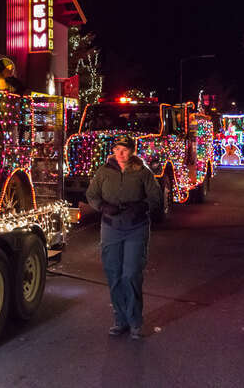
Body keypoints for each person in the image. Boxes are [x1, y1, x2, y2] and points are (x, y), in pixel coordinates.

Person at [85, 136, 162, 340]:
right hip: (111, 229)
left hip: (135, 228)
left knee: (131, 274)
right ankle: (120, 320)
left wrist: (142, 207)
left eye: (125, 149)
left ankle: (135, 322)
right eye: (117, 149)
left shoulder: (142, 172)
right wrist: (102, 207)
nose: (121, 153)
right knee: (114, 275)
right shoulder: (103, 172)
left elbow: (155, 197)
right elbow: (91, 195)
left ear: (132, 151)